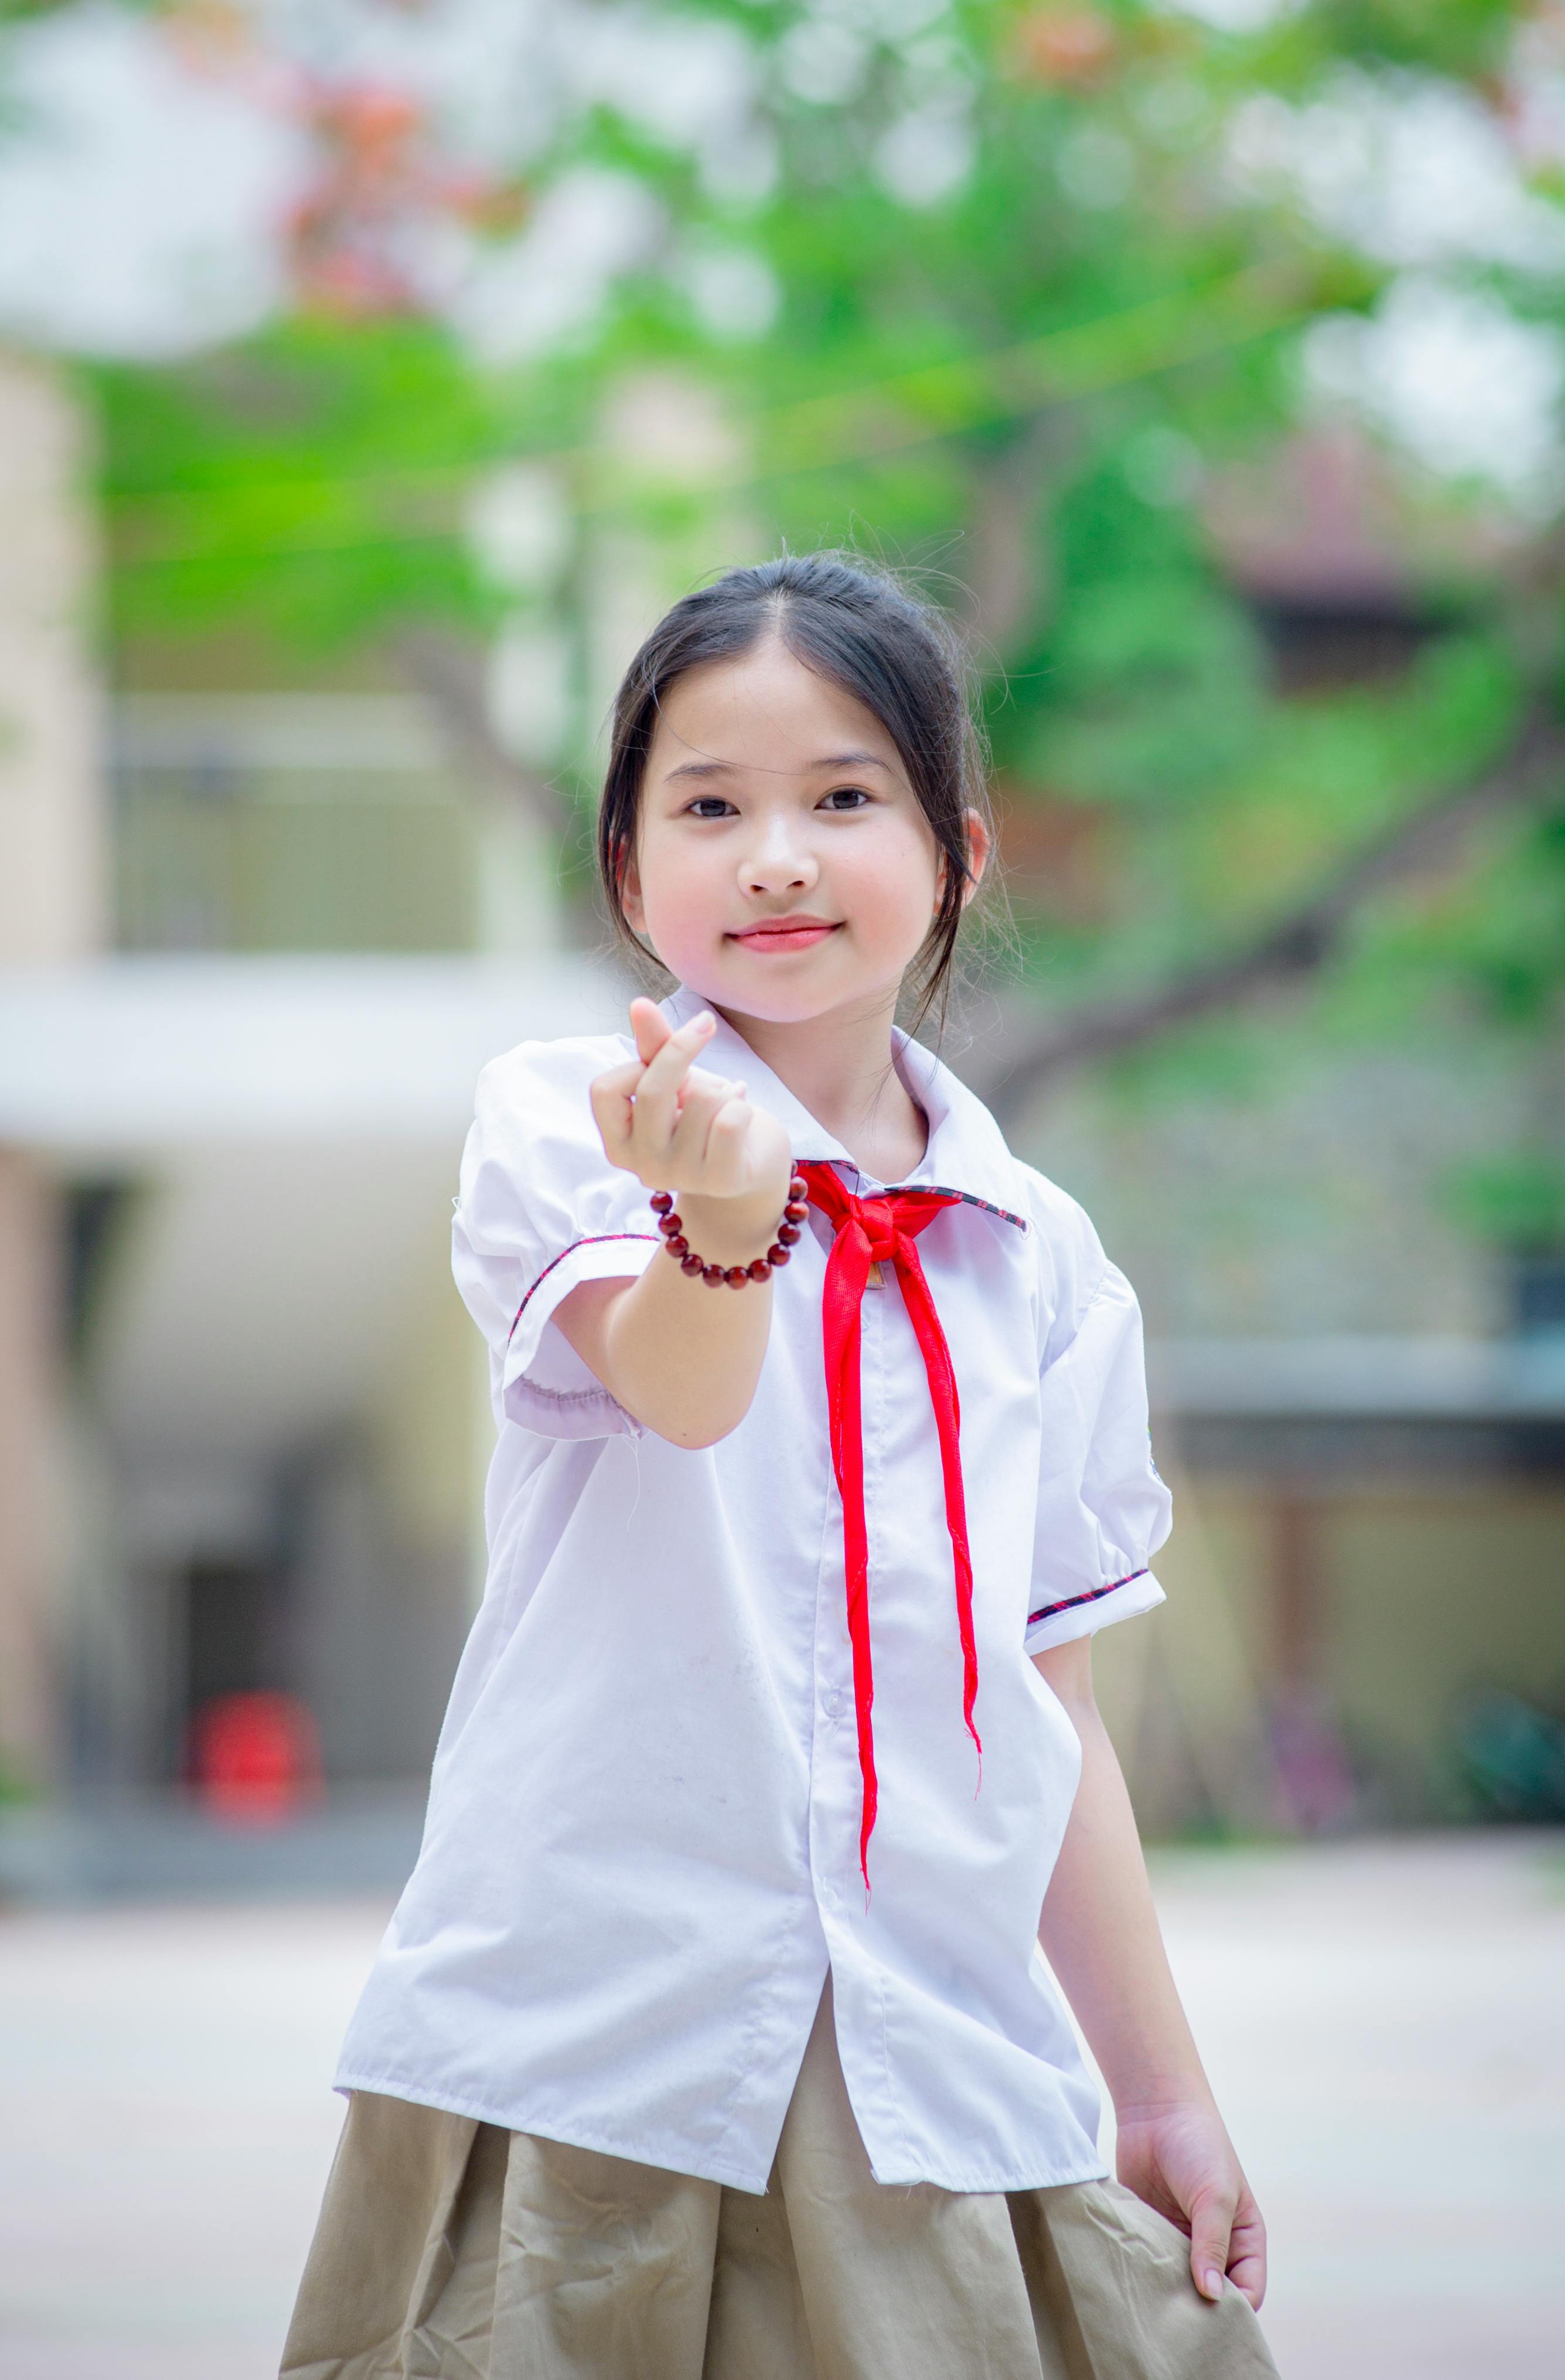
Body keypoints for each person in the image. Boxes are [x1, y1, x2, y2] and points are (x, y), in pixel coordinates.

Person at [280, 554, 1278, 2379]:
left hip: (949, 2063)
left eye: (843, 796)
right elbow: (678, 1381)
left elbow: (1050, 1709)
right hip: (600, 2037)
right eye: (711, 805)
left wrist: (1164, 2088)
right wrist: (726, 1216)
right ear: (626, 867)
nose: (777, 856)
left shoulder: (1037, 1251)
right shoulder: (566, 1127)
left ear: (960, 856)